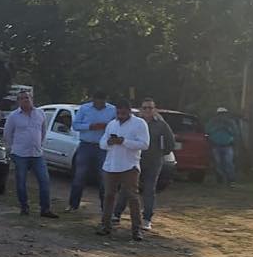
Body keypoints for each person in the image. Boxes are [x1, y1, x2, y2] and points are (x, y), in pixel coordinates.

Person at [114, 98, 175, 231]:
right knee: (127, 187)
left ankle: (147, 219)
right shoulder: (134, 123)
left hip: (153, 162)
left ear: (155, 109)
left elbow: (170, 143)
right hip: (134, 160)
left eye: (150, 108)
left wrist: (159, 153)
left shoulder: (161, 125)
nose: (148, 110)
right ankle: (116, 214)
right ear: (141, 109)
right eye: (145, 108)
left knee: (149, 190)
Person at [97, 99, 150, 240]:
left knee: (132, 197)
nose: (120, 115)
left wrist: (124, 141)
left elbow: (144, 144)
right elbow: (102, 143)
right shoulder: (112, 124)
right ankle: (105, 226)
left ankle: (136, 230)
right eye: (118, 112)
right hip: (111, 165)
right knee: (108, 196)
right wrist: (109, 142)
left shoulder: (139, 123)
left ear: (129, 110)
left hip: (129, 166)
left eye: (123, 112)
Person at [2, 90, 58, 218]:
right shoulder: (13, 116)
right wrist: (14, 148)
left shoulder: (40, 113)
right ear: (18, 101)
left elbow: (43, 131)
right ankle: (24, 207)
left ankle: (45, 209)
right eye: (22, 98)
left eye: (27, 97)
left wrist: (40, 144)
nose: (25, 100)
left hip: (37, 154)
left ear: (32, 98)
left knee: (44, 181)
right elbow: (7, 134)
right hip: (20, 154)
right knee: (21, 182)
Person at [67, 90, 115, 213]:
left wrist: (107, 127)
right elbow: (75, 125)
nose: (99, 104)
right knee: (80, 175)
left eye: (102, 101)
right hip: (86, 145)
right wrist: (90, 126)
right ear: (93, 100)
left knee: (104, 177)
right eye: (97, 101)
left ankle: (105, 208)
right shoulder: (84, 109)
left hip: (103, 147)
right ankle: (73, 205)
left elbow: (117, 125)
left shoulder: (112, 110)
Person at [206, 107, 241, 185]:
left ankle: (231, 180)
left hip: (227, 146)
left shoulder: (230, 122)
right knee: (218, 163)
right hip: (215, 145)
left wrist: (227, 129)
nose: (222, 116)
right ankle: (220, 178)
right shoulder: (212, 122)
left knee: (229, 163)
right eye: (220, 114)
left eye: (223, 114)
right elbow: (207, 131)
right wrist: (217, 128)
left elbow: (235, 133)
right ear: (217, 114)